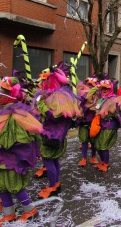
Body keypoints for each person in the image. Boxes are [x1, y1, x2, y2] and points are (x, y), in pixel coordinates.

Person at [0, 77, 43, 225]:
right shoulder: (1, 110)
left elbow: (19, 140)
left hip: (12, 159)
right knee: (2, 185)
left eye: (3, 91)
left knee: (15, 186)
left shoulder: (18, 113)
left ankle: (30, 209)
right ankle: (9, 213)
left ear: (12, 93)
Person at [36, 64, 82, 199]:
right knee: (53, 159)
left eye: (46, 80)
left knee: (48, 159)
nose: (44, 83)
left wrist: (41, 104)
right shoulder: (59, 95)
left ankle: (52, 186)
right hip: (54, 133)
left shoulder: (59, 97)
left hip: (53, 135)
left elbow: (54, 115)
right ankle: (55, 183)